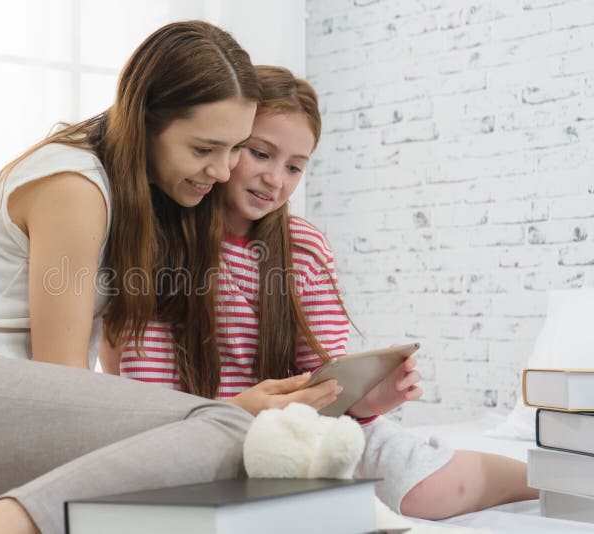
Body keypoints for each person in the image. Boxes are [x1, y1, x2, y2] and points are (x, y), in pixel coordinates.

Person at [0, 21, 326, 534]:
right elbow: (63, 383)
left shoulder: (138, 200)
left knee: (215, 434)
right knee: (227, 426)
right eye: (204, 149)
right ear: (145, 124)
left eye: (233, 149)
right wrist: (222, 412)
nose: (224, 171)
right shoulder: (76, 185)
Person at [103, 65, 539, 520]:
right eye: (260, 154)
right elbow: (140, 388)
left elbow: (325, 386)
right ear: (227, 143)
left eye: (294, 167)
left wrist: (368, 401)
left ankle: (547, 476)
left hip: (304, 429)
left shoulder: (304, 247)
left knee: (432, 492)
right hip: (197, 435)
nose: (276, 179)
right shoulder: (155, 242)